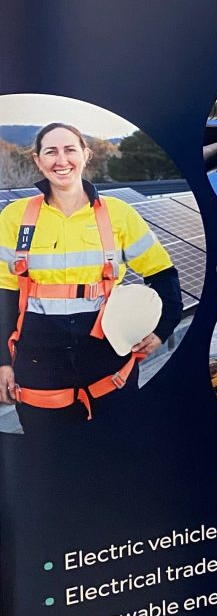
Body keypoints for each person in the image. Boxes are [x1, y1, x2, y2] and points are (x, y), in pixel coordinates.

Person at [0, 122, 181, 440]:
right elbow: (4, 294)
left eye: (70, 150)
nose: (61, 160)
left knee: (116, 454)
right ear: (37, 160)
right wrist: (3, 363)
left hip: (109, 365)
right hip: (39, 368)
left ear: (86, 154)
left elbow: (162, 273)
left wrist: (164, 327)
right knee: (50, 460)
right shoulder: (15, 217)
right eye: (51, 152)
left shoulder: (119, 214)